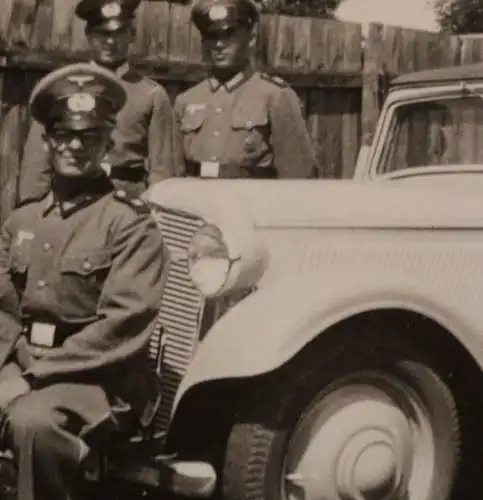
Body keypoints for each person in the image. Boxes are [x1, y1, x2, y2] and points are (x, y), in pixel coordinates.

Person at [0, 62, 168, 500]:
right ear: (47, 142)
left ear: (108, 143)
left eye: (89, 136)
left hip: (100, 380)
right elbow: (1, 308)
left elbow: (123, 325)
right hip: (24, 365)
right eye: (64, 135)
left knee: (34, 423)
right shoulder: (21, 221)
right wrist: (9, 367)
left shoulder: (130, 226)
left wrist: (33, 374)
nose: (75, 146)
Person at [18, 0, 184, 201]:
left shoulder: (151, 95)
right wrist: (32, 205)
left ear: (132, 35)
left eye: (118, 33)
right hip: (68, 197)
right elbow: (37, 164)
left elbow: (162, 170)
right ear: (89, 36)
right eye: (102, 34)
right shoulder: (62, 88)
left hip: (125, 200)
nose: (110, 42)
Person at [174, 0, 317, 179]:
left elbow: (299, 175)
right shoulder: (186, 100)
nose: (219, 44)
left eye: (228, 35)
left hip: (251, 202)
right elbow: (172, 173)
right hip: (194, 202)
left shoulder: (275, 96)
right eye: (212, 36)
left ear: (250, 39)